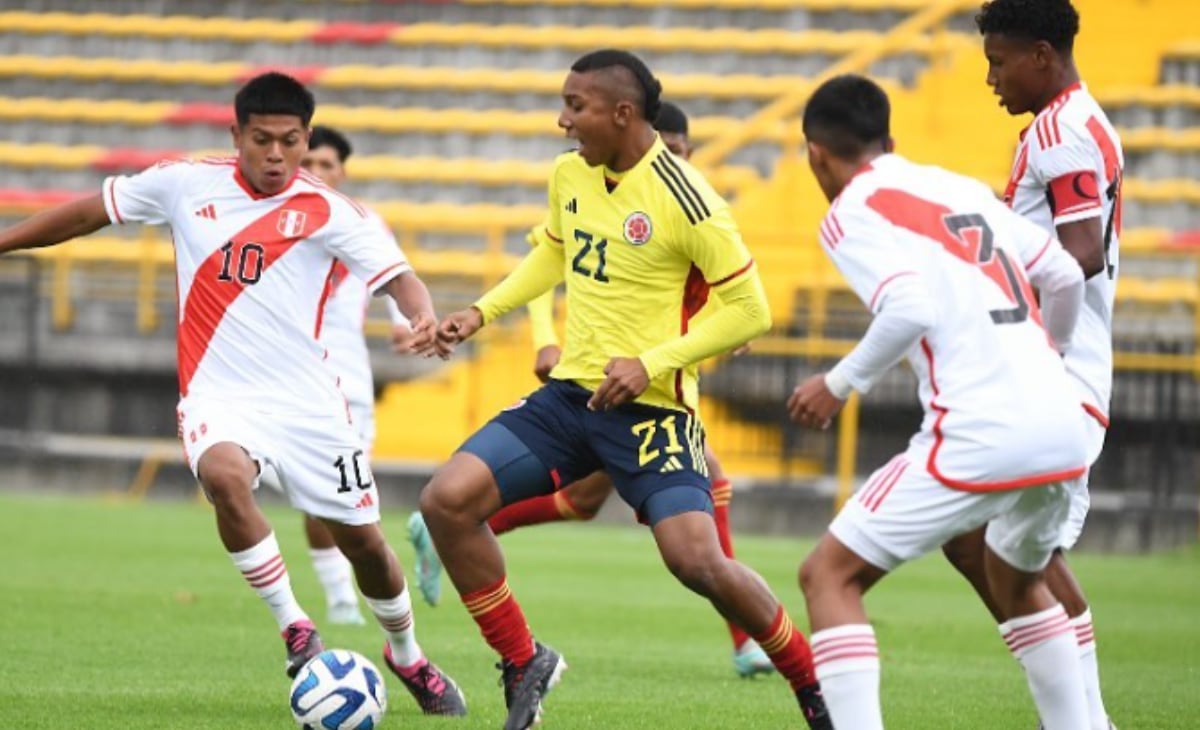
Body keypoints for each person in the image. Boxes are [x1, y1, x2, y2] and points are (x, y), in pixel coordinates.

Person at [0, 73, 466, 716]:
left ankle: (407, 654)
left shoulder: (332, 210)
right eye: (262, 140)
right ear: (236, 135)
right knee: (223, 475)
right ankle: (296, 627)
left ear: (306, 139)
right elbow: (87, 213)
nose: (277, 155)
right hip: (219, 395)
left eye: (291, 142)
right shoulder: (185, 183)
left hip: (310, 405)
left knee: (365, 545)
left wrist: (420, 317)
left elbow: (401, 279)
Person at [418, 50, 832, 730]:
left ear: (622, 113)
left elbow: (750, 310)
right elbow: (554, 251)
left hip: (651, 412)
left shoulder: (688, 198)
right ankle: (524, 661)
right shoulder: (569, 173)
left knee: (698, 563)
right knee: (446, 501)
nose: (562, 120)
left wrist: (652, 361)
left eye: (575, 107)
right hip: (569, 400)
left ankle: (812, 683)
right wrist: (480, 313)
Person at [790, 74, 1093, 729]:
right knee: (1017, 578)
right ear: (890, 140)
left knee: (827, 577)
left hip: (980, 430)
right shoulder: (958, 186)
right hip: (1061, 421)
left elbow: (908, 306)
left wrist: (837, 383)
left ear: (816, 153)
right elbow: (1064, 274)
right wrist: (1053, 360)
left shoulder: (850, 210)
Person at [941, 3, 1121, 727]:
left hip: (1057, 375)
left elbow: (1074, 257)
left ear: (1042, 55)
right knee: (988, 545)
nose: (990, 78)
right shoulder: (1078, 124)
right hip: (1060, 374)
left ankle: (1085, 720)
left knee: (1002, 552)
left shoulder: (1062, 132)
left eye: (999, 60)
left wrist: (991, 253)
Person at [256, 125, 412, 627]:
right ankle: (341, 596)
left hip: (347, 379)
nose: (318, 174)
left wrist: (407, 325)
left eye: (328, 166)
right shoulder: (274, 222)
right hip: (282, 377)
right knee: (311, 488)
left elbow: (395, 278)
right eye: (311, 166)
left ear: (343, 172)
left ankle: (346, 598)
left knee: (346, 493)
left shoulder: (363, 224)